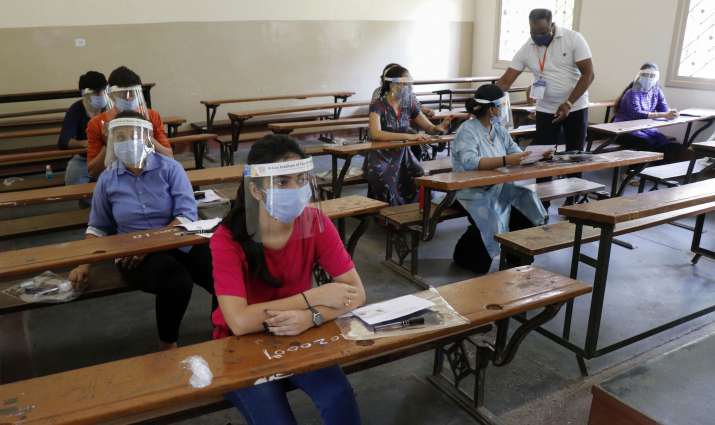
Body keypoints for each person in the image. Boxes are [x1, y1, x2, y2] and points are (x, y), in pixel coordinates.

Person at [210, 134, 365, 425]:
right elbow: (239, 321)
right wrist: (313, 298)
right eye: (282, 182)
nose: (295, 190)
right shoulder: (227, 239)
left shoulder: (315, 222)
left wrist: (312, 317)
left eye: (301, 180)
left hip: (300, 331)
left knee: (338, 396)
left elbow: (356, 292)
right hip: (241, 344)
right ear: (256, 190)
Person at [68, 111, 214, 350]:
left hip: (177, 238)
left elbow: (186, 215)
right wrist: (84, 263)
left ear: (147, 137)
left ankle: (222, 325)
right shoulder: (108, 179)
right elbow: (98, 226)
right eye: (121, 137)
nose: (128, 142)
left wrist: (150, 243)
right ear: (112, 142)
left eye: (134, 135)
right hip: (133, 253)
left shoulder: (170, 168)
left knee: (220, 268)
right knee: (176, 281)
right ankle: (168, 344)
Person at [451, 85, 548, 274]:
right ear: (491, 109)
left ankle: (516, 257)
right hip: (470, 190)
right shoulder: (467, 130)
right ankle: (464, 255)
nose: (503, 109)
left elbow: (516, 153)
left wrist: (539, 155)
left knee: (526, 206)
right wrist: (505, 160)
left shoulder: (498, 129)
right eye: (501, 105)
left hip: (498, 186)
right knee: (493, 217)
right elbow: (470, 162)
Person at [497, 8, 595, 152]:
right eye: (534, 32)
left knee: (575, 154)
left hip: (575, 107)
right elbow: (505, 81)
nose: (538, 36)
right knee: (543, 154)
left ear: (551, 25)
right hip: (545, 108)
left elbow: (589, 74)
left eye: (543, 32)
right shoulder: (527, 48)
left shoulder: (573, 39)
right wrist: (483, 101)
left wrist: (568, 103)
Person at [367, 65, 452, 205]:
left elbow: (429, 128)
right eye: (405, 84)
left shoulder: (409, 103)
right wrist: (409, 136)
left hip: (403, 154)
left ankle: (415, 210)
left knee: (419, 175)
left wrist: (439, 127)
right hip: (381, 155)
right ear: (393, 85)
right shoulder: (378, 105)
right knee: (386, 180)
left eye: (408, 84)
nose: (409, 87)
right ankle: (386, 212)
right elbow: (376, 133)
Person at [85, 66, 173, 179]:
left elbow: (169, 157)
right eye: (123, 94)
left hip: (149, 175)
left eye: (132, 93)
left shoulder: (152, 116)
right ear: (111, 95)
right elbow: (93, 172)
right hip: (115, 179)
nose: (129, 98)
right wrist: (111, 141)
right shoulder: (97, 123)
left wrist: (146, 137)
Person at [613, 63, 690, 163]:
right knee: (647, 143)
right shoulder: (632, 92)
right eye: (645, 75)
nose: (648, 78)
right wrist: (665, 115)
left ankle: (656, 170)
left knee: (665, 143)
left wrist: (672, 113)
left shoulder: (656, 91)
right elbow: (637, 114)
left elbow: (664, 109)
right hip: (624, 130)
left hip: (644, 128)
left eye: (652, 76)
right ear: (639, 76)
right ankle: (636, 170)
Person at [57, 71, 111, 185]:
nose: (101, 95)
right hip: (84, 159)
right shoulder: (76, 109)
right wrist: (85, 143)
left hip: (111, 155)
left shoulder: (111, 107)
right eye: (96, 92)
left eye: (104, 91)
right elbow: (63, 141)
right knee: (73, 176)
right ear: (85, 94)